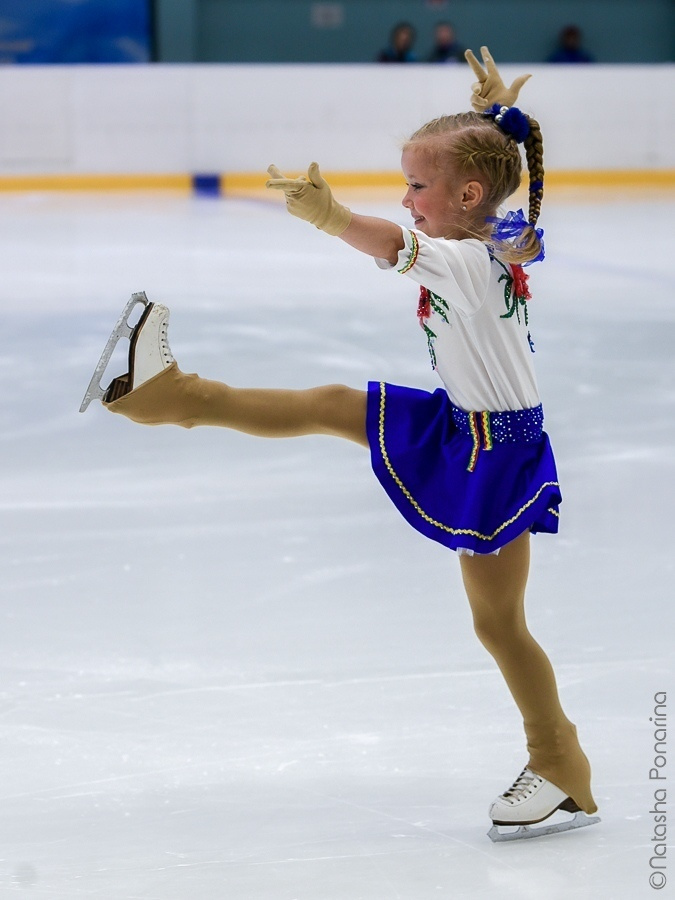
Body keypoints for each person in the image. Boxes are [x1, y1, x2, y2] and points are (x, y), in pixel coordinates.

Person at [84, 47, 598, 839]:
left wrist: (331, 217)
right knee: (329, 405)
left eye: (417, 185)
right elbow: (508, 214)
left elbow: (396, 243)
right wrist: (498, 121)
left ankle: (558, 762)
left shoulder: (465, 259)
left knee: (498, 624)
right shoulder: (492, 233)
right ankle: (169, 396)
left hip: (494, 454)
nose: (405, 197)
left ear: (465, 193)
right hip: (459, 424)